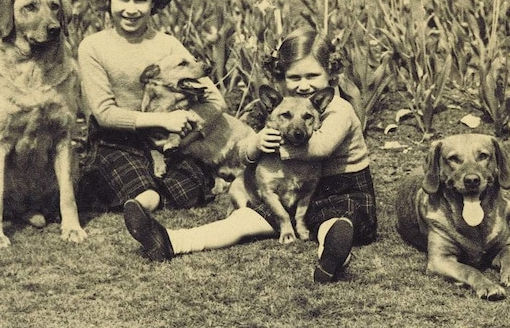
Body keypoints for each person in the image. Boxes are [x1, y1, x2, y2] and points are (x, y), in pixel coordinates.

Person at [123, 27, 378, 282]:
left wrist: (276, 144)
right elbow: (247, 155)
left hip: (341, 191)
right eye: (294, 77)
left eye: (312, 75)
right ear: (282, 78)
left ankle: (332, 254)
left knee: (332, 223)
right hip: (294, 194)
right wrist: (256, 144)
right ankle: (173, 241)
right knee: (244, 220)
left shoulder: (337, 109)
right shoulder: (283, 108)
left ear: (330, 75)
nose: (303, 85)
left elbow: (321, 148)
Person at [77, 0, 226, 214]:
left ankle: (143, 197)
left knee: (185, 185)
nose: (130, 9)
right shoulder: (94, 46)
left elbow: (215, 101)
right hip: (115, 139)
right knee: (137, 180)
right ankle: (141, 206)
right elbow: (103, 114)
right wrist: (162, 121)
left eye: (140, 0)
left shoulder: (168, 45)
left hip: (163, 140)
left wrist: (186, 130)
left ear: (153, 2)